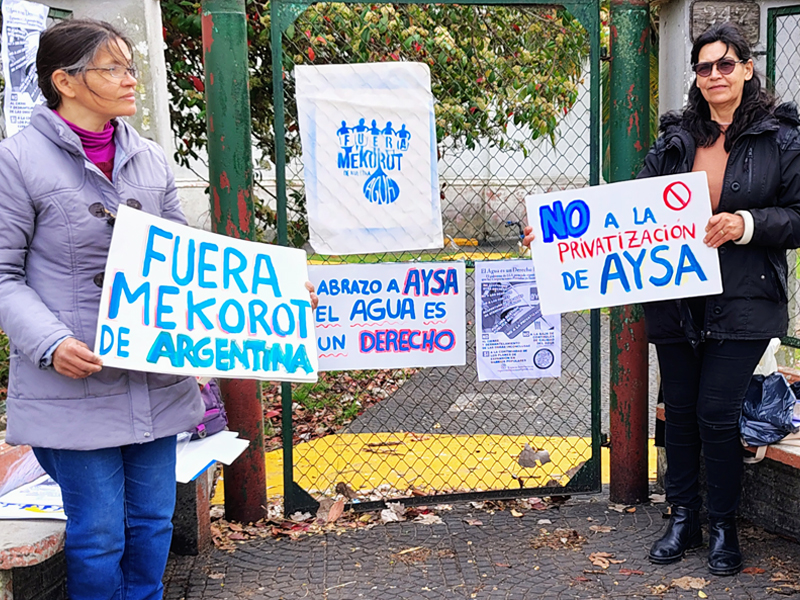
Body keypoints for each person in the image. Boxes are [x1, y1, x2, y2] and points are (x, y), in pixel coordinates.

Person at [0, 19, 317, 600]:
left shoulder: (148, 157)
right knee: (97, 535)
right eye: (113, 67)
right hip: (75, 383)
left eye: (130, 66)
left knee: (151, 525)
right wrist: (49, 343)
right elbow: (3, 275)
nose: (129, 79)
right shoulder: (16, 162)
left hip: (154, 378)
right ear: (64, 81)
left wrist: (277, 291)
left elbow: (188, 260)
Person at [523, 22, 800, 576]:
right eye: (704, 67)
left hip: (744, 298)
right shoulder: (677, 135)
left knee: (717, 414)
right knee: (680, 412)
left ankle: (722, 526)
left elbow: (797, 217)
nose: (714, 75)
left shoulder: (782, 139)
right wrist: (555, 234)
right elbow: (629, 209)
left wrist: (744, 223)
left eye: (726, 64)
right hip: (674, 296)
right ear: (696, 77)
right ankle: (683, 518)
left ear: (747, 67)